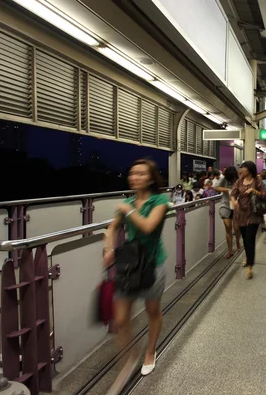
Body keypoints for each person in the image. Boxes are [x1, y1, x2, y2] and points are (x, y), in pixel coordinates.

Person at [103, 159, 168, 384]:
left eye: (140, 174)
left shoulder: (160, 201)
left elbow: (149, 227)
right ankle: (130, 354)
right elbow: (111, 228)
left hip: (153, 263)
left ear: (150, 178)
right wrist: (109, 248)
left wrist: (128, 211)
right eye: (132, 173)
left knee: (152, 310)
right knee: (120, 319)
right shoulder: (128, 202)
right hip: (129, 264)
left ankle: (150, 351)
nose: (134, 177)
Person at [231, 161, 266, 279]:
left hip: (253, 214)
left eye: (244, 168)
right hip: (240, 214)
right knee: (245, 240)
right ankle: (248, 258)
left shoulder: (257, 180)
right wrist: (233, 201)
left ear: (250, 169)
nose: (241, 170)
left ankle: (250, 267)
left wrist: (253, 191)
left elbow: (264, 195)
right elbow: (233, 193)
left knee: (250, 239)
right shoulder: (239, 181)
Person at [215, 166, 241, 259]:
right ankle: (230, 250)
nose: (231, 180)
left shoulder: (239, 179)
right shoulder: (224, 179)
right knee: (228, 227)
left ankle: (238, 241)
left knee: (236, 228)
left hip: (236, 205)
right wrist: (227, 190)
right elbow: (216, 188)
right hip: (225, 205)